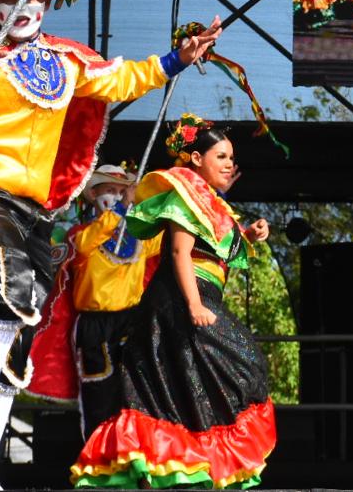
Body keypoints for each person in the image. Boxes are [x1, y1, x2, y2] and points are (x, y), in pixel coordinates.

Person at [0, 0, 219, 491]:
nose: (19, 5)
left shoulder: (66, 61)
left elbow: (121, 79)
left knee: (22, 326)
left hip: (34, 208)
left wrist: (177, 59)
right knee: (8, 282)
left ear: (48, 1)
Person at [69, 115, 276, 488]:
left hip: (196, 298)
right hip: (180, 300)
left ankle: (191, 469)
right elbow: (181, 253)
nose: (231, 163)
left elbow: (211, 246)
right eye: (222, 156)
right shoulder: (184, 196)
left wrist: (250, 232)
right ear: (196, 159)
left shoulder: (209, 202)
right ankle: (162, 467)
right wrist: (194, 305)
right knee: (242, 366)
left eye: (232, 157)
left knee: (187, 388)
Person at [32, 164, 165, 439]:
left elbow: (173, 233)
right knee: (98, 397)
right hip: (94, 326)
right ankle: (97, 466)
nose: (117, 197)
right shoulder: (82, 235)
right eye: (111, 191)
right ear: (93, 194)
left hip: (131, 322)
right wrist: (120, 210)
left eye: (121, 192)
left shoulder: (140, 237)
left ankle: (136, 462)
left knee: (136, 395)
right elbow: (82, 246)